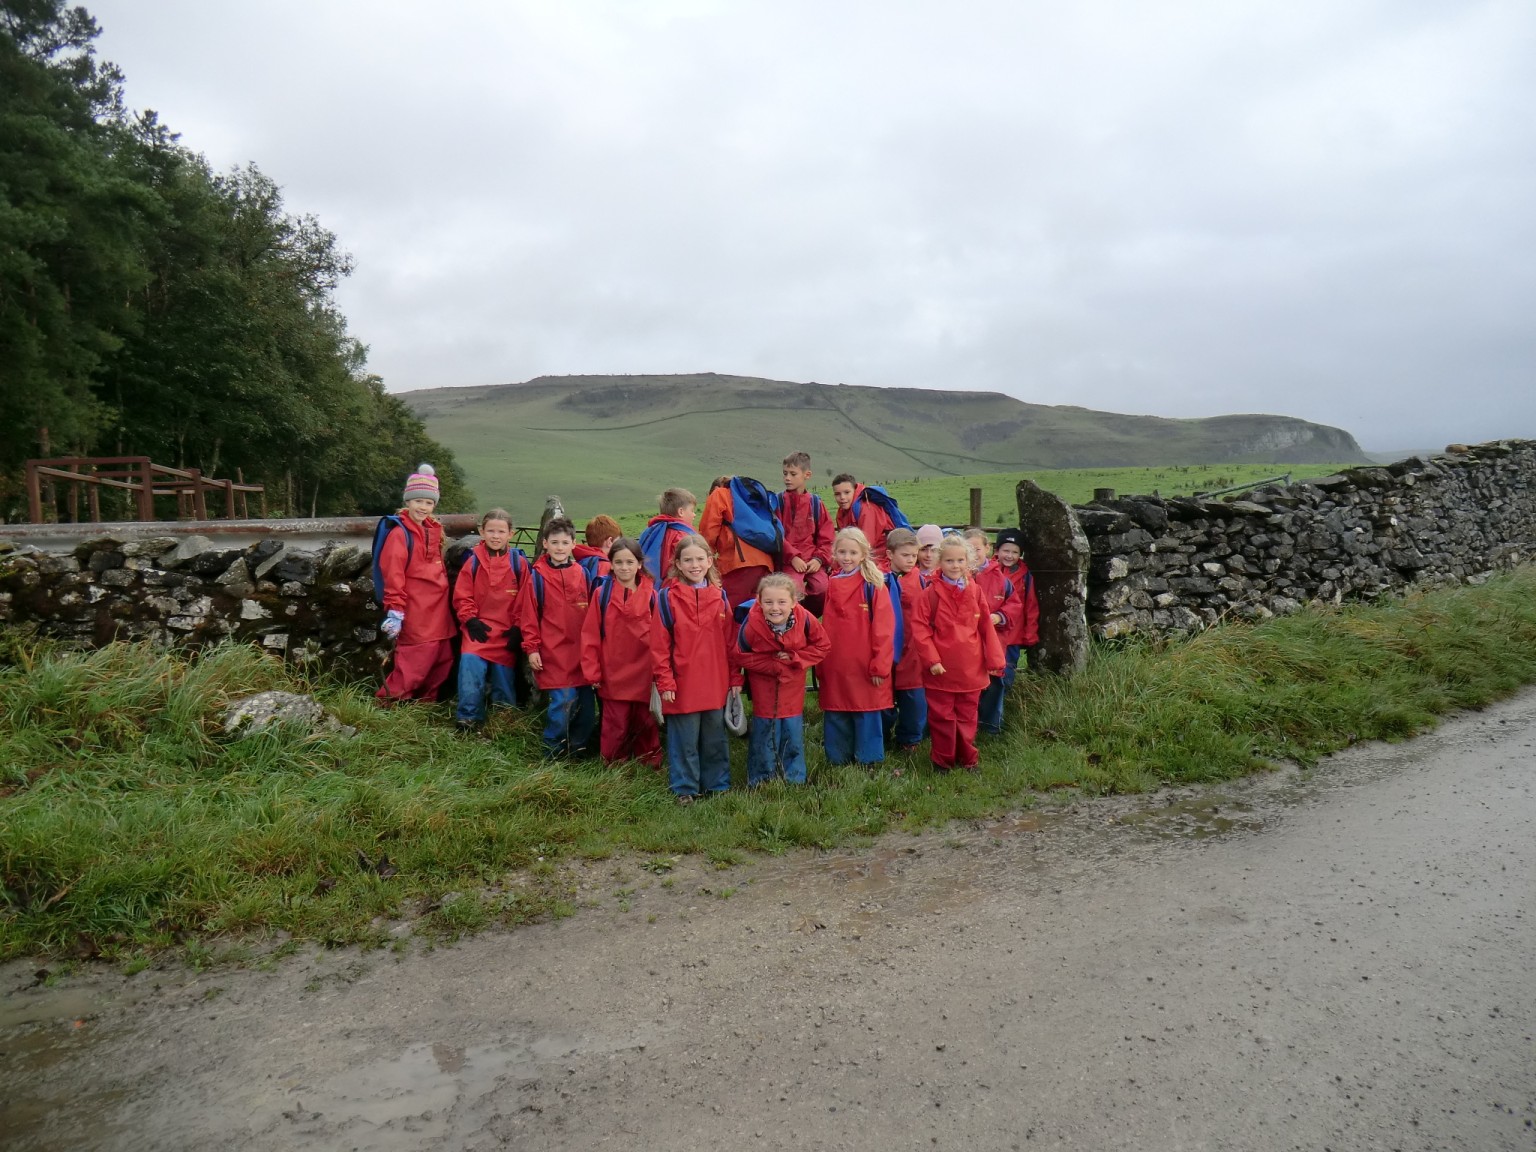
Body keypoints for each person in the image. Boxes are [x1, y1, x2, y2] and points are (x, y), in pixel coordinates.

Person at [651, 534, 740, 804]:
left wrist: (735, 678)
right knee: (684, 740)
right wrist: (665, 683)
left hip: (715, 682)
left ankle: (718, 785)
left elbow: (730, 643)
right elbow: (659, 646)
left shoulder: (720, 596)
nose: (694, 565)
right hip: (682, 684)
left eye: (700, 559)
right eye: (687, 560)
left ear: (710, 561)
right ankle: (685, 788)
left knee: (715, 739)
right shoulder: (667, 598)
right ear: (677, 563)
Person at [909, 535, 1006, 773]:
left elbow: (985, 625)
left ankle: (968, 759)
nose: (955, 565)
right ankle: (943, 761)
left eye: (960, 560)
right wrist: (932, 660)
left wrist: (995, 660)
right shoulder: (928, 595)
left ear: (968, 561)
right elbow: (920, 630)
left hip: (971, 667)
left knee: (967, 717)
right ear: (940, 562)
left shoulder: (976, 592)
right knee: (942, 718)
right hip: (940, 669)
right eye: (950, 560)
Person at [733, 572, 831, 786]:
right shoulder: (751, 625)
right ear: (759, 601)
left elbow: (822, 646)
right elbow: (739, 655)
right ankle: (761, 778)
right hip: (763, 686)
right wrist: (772, 664)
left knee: (791, 728)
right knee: (764, 729)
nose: (775, 608)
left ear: (794, 602)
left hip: (792, 685)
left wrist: (796, 658)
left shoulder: (805, 619)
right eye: (768, 602)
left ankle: (794, 777)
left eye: (781, 602)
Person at [375, 463, 456, 703]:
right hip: (416, 611)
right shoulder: (400, 534)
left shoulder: (433, 531)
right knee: (415, 663)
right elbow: (393, 574)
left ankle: (423, 706)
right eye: (418, 501)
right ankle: (388, 704)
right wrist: (395, 610)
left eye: (429, 502)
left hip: (439, 612)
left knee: (443, 658)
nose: (423, 507)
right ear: (407, 501)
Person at [519, 517, 599, 758]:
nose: (560, 547)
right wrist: (532, 648)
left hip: (582, 655)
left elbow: (594, 616)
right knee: (562, 704)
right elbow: (528, 615)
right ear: (545, 543)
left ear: (574, 543)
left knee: (586, 708)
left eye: (565, 542)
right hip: (553, 653)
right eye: (555, 542)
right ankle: (552, 752)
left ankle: (577, 750)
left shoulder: (583, 575)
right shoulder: (537, 578)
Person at [581, 537, 661, 768]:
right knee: (615, 724)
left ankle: (650, 765)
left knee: (646, 722)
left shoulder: (653, 596)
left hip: (645, 672)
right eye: (618, 562)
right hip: (612, 672)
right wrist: (592, 671)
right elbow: (590, 636)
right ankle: (614, 766)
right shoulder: (601, 594)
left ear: (639, 564)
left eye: (629, 562)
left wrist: (660, 673)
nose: (624, 568)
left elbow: (661, 639)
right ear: (611, 564)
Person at [820, 527, 896, 768]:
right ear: (834, 553)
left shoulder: (873, 584)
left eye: (853, 552)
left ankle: (868, 759)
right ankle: (838, 758)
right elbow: (828, 627)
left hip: (866, 664)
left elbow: (884, 630)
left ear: (864, 554)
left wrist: (880, 666)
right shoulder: (832, 584)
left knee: (867, 712)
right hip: (837, 662)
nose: (847, 557)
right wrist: (822, 664)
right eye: (842, 552)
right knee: (837, 710)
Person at [451, 507, 526, 730]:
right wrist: (470, 620)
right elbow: (463, 596)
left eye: (501, 531)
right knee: (470, 670)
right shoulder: (472, 562)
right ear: (481, 532)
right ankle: (468, 717)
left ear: (510, 534)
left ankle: (505, 719)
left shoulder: (518, 564)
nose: (496, 536)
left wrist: (518, 627)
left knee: (504, 679)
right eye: (491, 531)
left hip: (506, 632)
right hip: (477, 630)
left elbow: (526, 599)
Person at [964, 527, 1020, 736]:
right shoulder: (959, 575)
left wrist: (999, 617)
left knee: (994, 684)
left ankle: (989, 728)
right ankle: (965, 726)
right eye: (967, 550)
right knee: (968, 684)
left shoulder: (1000, 579)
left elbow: (1015, 606)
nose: (973, 554)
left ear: (987, 549)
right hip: (966, 644)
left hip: (994, 642)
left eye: (977, 549)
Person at [882, 528, 929, 755]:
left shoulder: (920, 580)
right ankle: (881, 735)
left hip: (912, 648)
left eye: (914, 555)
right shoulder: (878, 578)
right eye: (905, 555)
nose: (911, 560)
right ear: (890, 554)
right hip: (886, 646)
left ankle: (910, 740)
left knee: (913, 697)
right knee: (883, 694)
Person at [698, 476, 775, 609]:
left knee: (729, 611)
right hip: (766, 563)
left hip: (738, 564)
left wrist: (704, 557)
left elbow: (708, 531)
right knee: (757, 612)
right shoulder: (749, 499)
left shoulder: (719, 493)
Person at [777, 452, 833, 616]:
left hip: (812, 560)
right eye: (785, 473)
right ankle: (794, 625)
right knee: (793, 592)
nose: (787, 478)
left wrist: (819, 558)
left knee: (823, 589)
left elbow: (827, 537)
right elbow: (776, 535)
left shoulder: (816, 503)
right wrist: (793, 557)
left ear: (807, 475)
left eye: (793, 474)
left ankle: (810, 621)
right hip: (788, 560)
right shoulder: (778, 502)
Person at [994, 527, 1041, 677]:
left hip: (1013, 635)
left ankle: (1003, 699)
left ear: (1020, 554)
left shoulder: (1025, 576)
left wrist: (1030, 634)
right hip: (990, 633)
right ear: (997, 551)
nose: (1009, 556)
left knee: (1007, 673)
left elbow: (1031, 606)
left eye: (1015, 552)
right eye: (1006, 551)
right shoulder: (987, 572)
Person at [831, 473, 896, 568]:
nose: (842, 497)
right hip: (862, 557)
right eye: (837, 494)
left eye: (847, 492)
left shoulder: (866, 508)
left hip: (880, 559)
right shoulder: (842, 511)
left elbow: (866, 544)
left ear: (855, 490)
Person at [640, 488, 698, 582]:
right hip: (675, 586)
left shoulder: (651, 530)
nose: (694, 515)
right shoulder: (681, 536)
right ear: (681, 512)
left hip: (652, 584)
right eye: (692, 510)